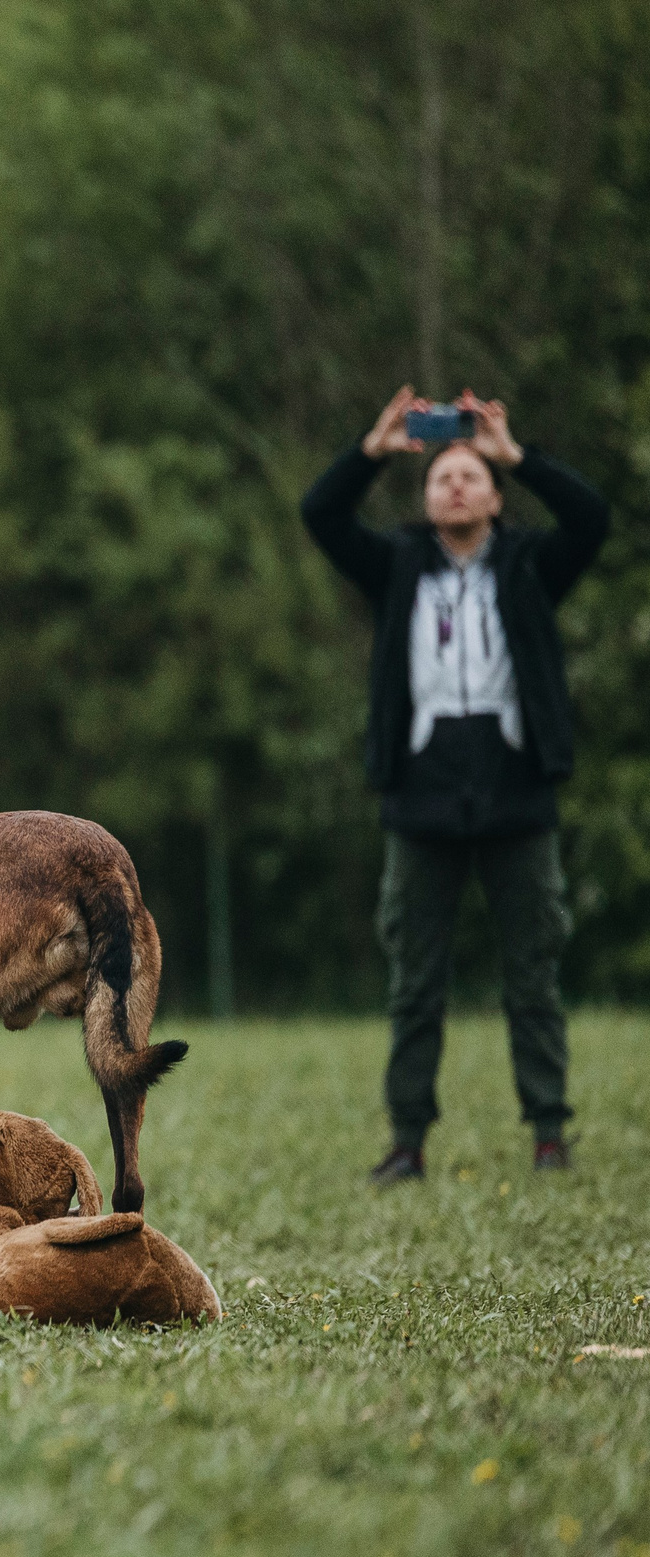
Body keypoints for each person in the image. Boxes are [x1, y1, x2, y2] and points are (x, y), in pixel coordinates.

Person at [300, 386, 609, 1182]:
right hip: (421, 798)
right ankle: (407, 1140)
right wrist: (372, 450)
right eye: (443, 476)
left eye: (473, 474)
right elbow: (322, 516)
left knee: (534, 972)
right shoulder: (398, 564)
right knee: (415, 981)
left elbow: (593, 519)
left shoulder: (532, 564)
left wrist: (519, 452)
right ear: (427, 498)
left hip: (517, 792)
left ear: (496, 494)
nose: (458, 485)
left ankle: (548, 1132)